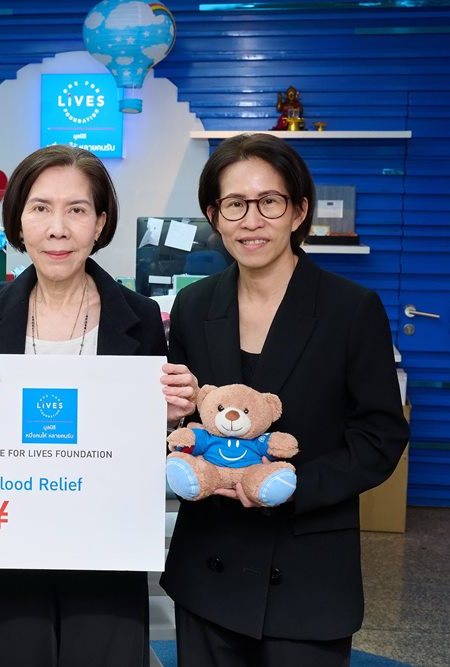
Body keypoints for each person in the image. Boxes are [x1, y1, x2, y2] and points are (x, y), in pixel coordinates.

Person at [0, 144, 199, 667]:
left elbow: (150, 439)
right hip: (8, 541)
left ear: (100, 222)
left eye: (77, 210)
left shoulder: (139, 317)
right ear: (19, 221)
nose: (57, 229)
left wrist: (171, 416)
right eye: (40, 208)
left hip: (107, 545)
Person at [161, 133, 409, 666]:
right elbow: (184, 421)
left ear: (298, 211)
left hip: (307, 572)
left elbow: (380, 437)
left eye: (269, 201)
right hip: (208, 565)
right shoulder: (193, 305)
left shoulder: (351, 309)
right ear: (214, 215)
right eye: (235, 204)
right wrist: (170, 425)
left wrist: (291, 487)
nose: (252, 221)